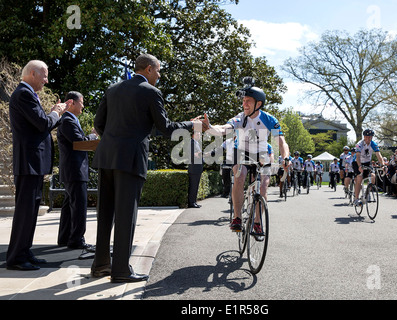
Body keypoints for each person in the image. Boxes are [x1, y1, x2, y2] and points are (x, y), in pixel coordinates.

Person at [90, 54, 203, 283]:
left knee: (105, 214)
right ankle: (121, 270)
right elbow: (166, 127)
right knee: (125, 216)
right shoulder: (151, 92)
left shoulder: (112, 89)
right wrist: (193, 124)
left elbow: (98, 123)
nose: (159, 75)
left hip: (107, 157)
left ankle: (101, 264)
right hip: (130, 159)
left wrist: (116, 140)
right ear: (149, 69)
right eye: (159, 71)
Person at [203, 77, 290, 231]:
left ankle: (257, 221)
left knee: (263, 186)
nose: (244, 104)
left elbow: (282, 142)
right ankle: (237, 217)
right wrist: (210, 127)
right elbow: (225, 129)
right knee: (239, 176)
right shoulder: (239, 118)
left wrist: (286, 157)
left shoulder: (269, 119)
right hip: (241, 151)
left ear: (259, 104)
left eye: (248, 101)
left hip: (262, 153)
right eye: (243, 101)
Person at [7, 60, 68, 270]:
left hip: (32, 163)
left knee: (31, 210)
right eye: (44, 75)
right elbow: (42, 123)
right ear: (32, 73)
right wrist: (57, 113)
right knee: (25, 211)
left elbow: (40, 121)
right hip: (28, 163)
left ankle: (24, 251)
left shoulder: (27, 93)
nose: (47, 80)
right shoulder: (23, 93)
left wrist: (53, 113)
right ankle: (16, 258)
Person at [57, 91, 98, 250]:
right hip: (75, 171)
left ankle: (65, 237)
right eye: (81, 102)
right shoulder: (68, 121)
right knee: (79, 206)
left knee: (69, 206)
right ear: (71, 103)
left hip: (72, 170)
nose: (83, 106)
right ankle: (76, 240)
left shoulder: (69, 120)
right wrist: (93, 137)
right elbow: (80, 143)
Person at [352, 129, 384, 206]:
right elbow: (358, 156)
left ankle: (366, 194)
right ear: (364, 137)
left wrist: (383, 165)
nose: (369, 139)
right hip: (357, 162)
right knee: (359, 178)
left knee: (373, 176)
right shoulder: (359, 144)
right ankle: (356, 199)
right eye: (367, 137)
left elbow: (378, 155)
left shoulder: (373, 144)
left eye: (370, 137)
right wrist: (359, 166)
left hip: (367, 162)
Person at [188, 131, 203, 208]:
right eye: (197, 134)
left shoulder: (197, 143)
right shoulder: (192, 143)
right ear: (193, 135)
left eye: (200, 135)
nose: (199, 136)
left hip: (197, 168)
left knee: (196, 186)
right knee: (193, 186)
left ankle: (194, 201)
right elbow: (192, 155)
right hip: (194, 168)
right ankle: (191, 203)